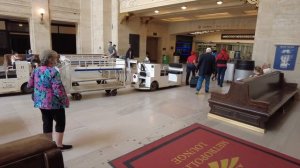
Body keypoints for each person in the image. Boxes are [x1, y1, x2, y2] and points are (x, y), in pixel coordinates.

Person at [27, 50, 72, 150]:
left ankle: (48, 146)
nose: (57, 60)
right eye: (55, 58)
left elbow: (29, 85)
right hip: (54, 103)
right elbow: (58, 90)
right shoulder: (53, 71)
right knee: (60, 122)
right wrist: (65, 101)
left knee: (47, 122)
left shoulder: (36, 70)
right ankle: (59, 145)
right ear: (50, 59)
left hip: (40, 103)